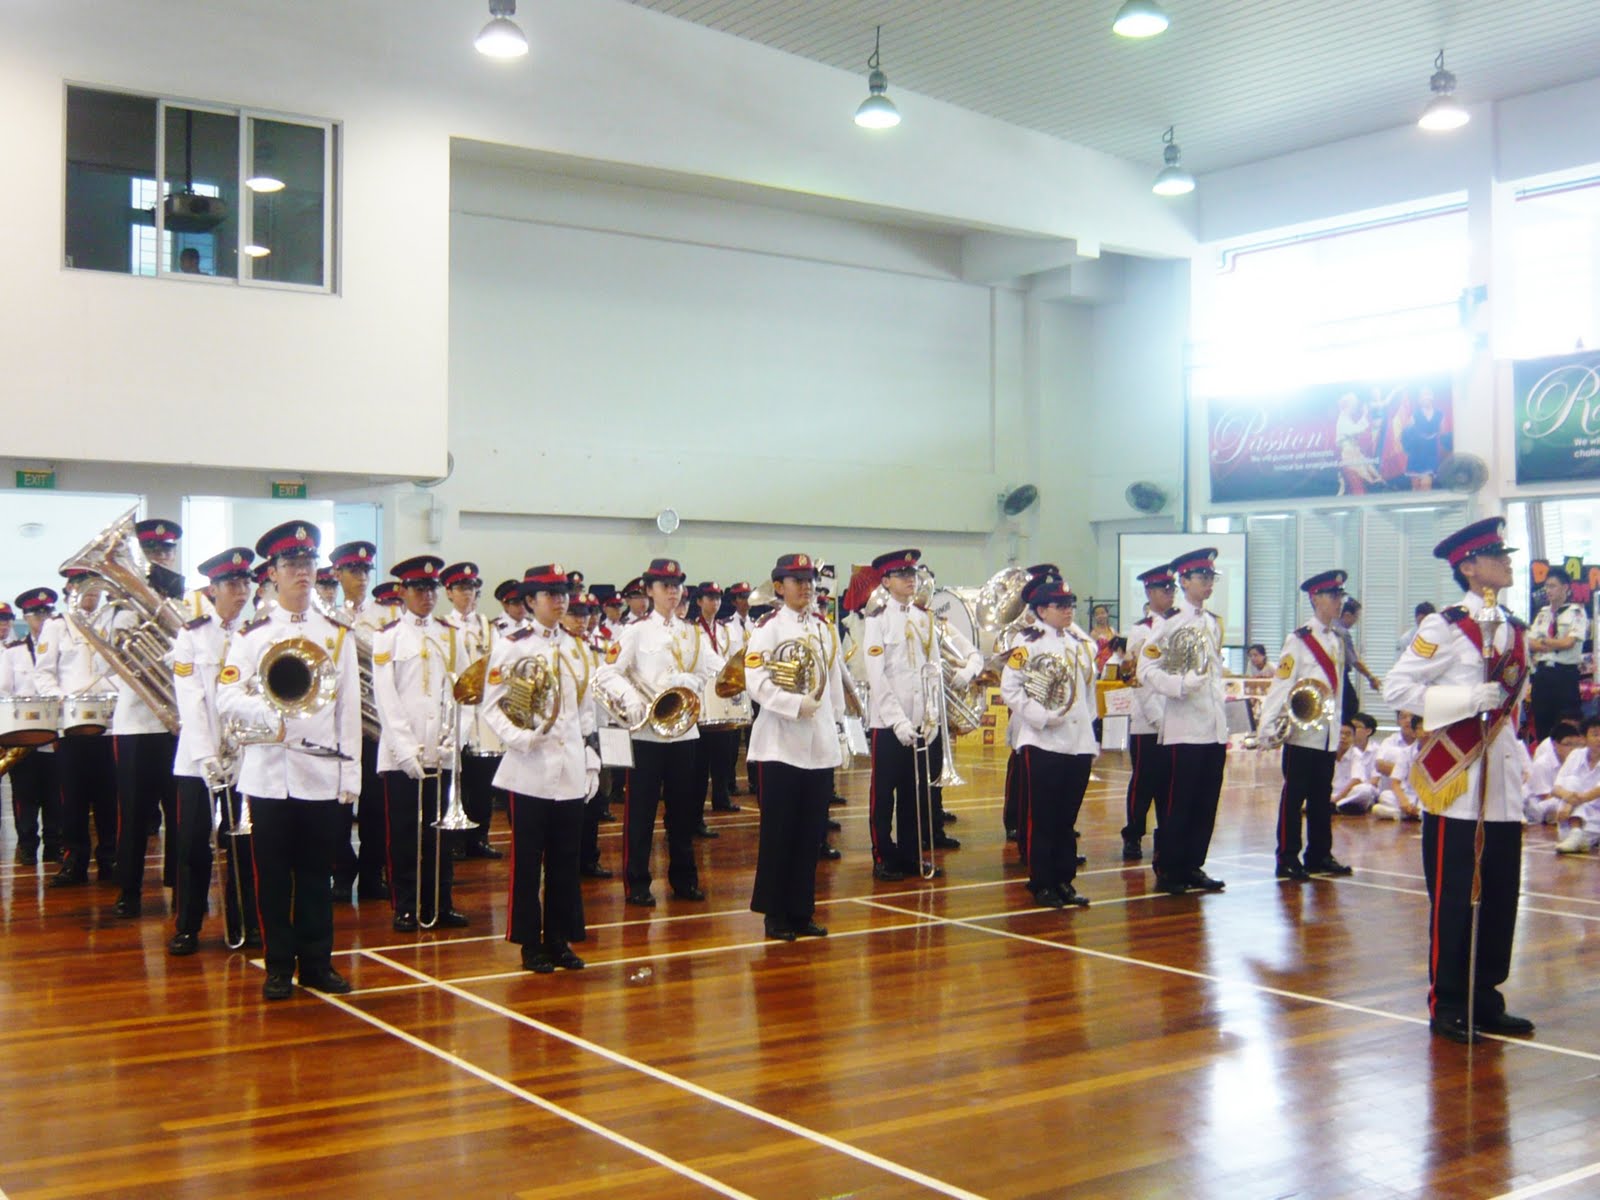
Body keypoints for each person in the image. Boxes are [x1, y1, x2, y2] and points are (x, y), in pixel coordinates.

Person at [1383, 516, 1533, 1044]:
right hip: (1459, 784)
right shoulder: (1444, 627)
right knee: (1453, 898)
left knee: (1500, 895)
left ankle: (1485, 996)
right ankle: (1448, 1001)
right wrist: (1467, 700)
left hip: (1502, 782)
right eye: (1497, 555)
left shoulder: (1515, 628)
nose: (1507, 563)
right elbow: (1397, 689)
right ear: (1469, 567)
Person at [216, 520, 360, 1001]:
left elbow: (348, 712)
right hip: (269, 773)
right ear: (272, 574)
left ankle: (318, 963)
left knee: (318, 875)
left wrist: (351, 774)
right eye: (292, 563)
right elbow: (226, 696)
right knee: (273, 875)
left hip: (320, 771)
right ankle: (278, 966)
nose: (302, 571)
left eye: (308, 562)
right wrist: (270, 712)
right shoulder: (253, 634)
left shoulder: (336, 635)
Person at [478, 565, 598, 971]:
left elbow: (585, 711)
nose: (560, 601)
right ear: (530, 601)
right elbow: (492, 705)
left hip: (570, 768)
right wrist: (522, 739)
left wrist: (591, 759)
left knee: (566, 859)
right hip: (528, 768)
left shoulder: (578, 647)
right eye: (550, 594)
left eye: (563, 594)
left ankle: (559, 939)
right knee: (527, 862)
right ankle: (530, 943)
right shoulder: (512, 645)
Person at [595, 558, 725, 907]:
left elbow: (714, 668)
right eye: (664, 586)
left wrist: (695, 681)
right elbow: (607, 673)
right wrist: (630, 698)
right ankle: (637, 882)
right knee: (640, 812)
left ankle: (684, 879)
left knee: (683, 812)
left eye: (676, 585)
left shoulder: (692, 633)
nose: (672, 591)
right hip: (647, 736)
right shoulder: (635, 631)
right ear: (649, 591)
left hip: (683, 733)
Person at [861, 549, 981, 882]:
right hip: (889, 724)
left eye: (912, 574)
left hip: (921, 721)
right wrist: (897, 720)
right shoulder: (877, 621)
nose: (910, 580)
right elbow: (877, 676)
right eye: (902, 575)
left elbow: (932, 672)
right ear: (886, 581)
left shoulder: (924, 618)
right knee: (883, 794)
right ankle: (883, 855)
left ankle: (911, 855)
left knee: (914, 794)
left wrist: (931, 716)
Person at [745, 553, 846, 940]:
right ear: (779, 587)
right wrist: (792, 704)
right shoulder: (768, 629)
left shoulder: (824, 628)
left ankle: (802, 911)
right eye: (797, 580)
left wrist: (839, 726)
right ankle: (775, 914)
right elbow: (756, 681)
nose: (806, 587)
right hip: (780, 745)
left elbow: (833, 680)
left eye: (809, 580)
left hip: (818, 745)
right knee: (779, 834)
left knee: (810, 834)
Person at [167, 547, 260, 955]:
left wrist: (240, 746)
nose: (241, 592)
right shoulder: (191, 635)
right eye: (232, 584)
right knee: (191, 844)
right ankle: (187, 926)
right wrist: (207, 755)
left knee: (244, 844)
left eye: (245, 583)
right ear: (213, 590)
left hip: (246, 757)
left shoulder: (256, 634)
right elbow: (189, 700)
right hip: (198, 760)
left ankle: (246, 922)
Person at [373, 555, 467, 932]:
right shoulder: (388, 636)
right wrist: (404, 748)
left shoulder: (450, 634)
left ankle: (440, 902)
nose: (427, 596)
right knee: (404, 833)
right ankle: (407, 905)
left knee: (440, 832)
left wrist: (454, 737)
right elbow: (386, 697)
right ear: (403, 592)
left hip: (440, 751)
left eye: (431, 589)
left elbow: (463, 691)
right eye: (418, 589)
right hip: (402, 754)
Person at [1001, 575, 1099, 908]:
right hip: (1043, 741)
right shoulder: (1028, 644)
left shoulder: (1077, 643)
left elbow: (1086, 692)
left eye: (1070, 605)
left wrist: (1090, 734)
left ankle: (1064, 879)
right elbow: (1010, 688)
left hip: (1077, 742)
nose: (1068, 611)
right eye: (1060, 606)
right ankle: (1042, 881)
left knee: (1066, 818)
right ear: (1041, 610)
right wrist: (1041, 716)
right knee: (1042, 817)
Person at [1138, 548, 1229, 895]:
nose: (1208, 583)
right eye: (1202, 577)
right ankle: (1169, 867)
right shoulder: (1169, 621)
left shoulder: (1212, 622)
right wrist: (1177, 686)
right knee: (1179, 803)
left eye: (1211, 577)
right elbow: (1146, 670)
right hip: (1184, 727)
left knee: (1205, 803)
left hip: (1212, 726)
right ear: (1185, 581)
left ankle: (1193, 864)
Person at [110, 518, 183, 918]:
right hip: (137, 724)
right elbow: (119, 661)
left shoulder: (188, 606)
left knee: (180, 812)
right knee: (134, 813)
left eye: (166, 550)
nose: (161, 557)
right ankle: (129, 889)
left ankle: (181, 885)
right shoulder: (123, 610)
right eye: (153, 551)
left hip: (179, 724)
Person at [1260, 570, 1352, 881]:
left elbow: (1337, 692)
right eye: (1333, 595)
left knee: (1321, 797)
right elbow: (1282, 683)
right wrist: (1266, 725)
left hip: (1326, 733)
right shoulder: (1299, 640)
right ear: (1315, 598)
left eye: (1340, 596)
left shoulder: (1337, 639)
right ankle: (1287, 856)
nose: (1339, 601)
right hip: (1302, 733)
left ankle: (1319, 854)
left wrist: (1338, 729)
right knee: (1294, 797)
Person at [36, 568, 118, 886]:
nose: (91, 591)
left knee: (110, 796)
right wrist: (61, 700)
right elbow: (44, 674)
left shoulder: (111, 622)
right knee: (73, 798)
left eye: (96, 586)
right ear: (70, 588)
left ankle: (110, 858)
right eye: (84, 585)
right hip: (71, 726)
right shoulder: (57, 626)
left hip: (109, 724)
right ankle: (75, 860)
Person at [327, 539, 387, 903]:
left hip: (376, 728)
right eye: (353, 570)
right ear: (338, 574)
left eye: (365, 570)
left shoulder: (386, 618)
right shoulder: (327, 618)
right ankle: (341, 871)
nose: (361, 577)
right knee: (337, 809)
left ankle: (372, 874)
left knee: (376, 810)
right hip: (338, 727)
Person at [440, 561, 503, 861]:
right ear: (449, 593)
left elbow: (500, 668)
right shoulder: (443, 627)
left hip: (483, 716)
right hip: (454, 712)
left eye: (472, 589)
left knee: (482, 781)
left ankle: (479, 837)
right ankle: (453, 839)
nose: (468, 594)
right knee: (455, 777)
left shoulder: (489, 628)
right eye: (462, 588)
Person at [1, 588, 63, 866]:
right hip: (24, 735)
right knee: (25, 794)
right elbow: (4, 692)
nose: (43, 618)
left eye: (47, 613)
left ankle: (54, 844)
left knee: (55, 793)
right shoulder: (13, 653)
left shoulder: (61, 649)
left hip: (54, 733)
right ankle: (27, 845)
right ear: (26, 618)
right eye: (36, 614)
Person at [1119, 564, 1175, 861]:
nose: (1170, 594)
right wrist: (1157, 717)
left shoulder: (1179, 624)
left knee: (1169, 783)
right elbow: (1136, 677)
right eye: (1164, 589)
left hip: (1176, 717)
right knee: (1143, 782)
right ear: (1150, 593)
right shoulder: (1141, 630)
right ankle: (1133, 835)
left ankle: (1165, 834)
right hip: (1147, 721)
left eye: (1172, 589)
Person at [558, 590, 610, 879]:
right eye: (575, 614)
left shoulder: (597, 647)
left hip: (597, 730)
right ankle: (568, 861)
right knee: (568, 803)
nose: (582, 620)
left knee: (594, 799)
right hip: (568, 735)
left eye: (586, 614)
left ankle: (589, 858)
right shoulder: (559, 648)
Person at [690, 581, 742, 830]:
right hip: (701, 699)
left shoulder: (724, 630)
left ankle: (721, 796)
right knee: (699, 764)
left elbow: (733, 658)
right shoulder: (692, 630)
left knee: (724, 755)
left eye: (718, 598)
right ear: (699, 601)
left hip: (722, 698)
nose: (715, 603)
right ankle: (695, 816)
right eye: (710, 598)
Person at [1528, 567, 1587, 743]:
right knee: (1542, 726)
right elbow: (1529, 643)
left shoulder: (1576, 612)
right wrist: (1553, 644)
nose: (1548, 590)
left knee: (1567, 728)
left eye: (1553, 586)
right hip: (1543, 675)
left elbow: (1569, 643)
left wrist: (1544, 642)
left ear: (1565, 588)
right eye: (1546, 586)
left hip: (1564, 675)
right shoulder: (1543, 614)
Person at [1551, 717, 1600, 854]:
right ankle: (1577, 833)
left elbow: (1596, 792)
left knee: (1577, 835)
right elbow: (1556, 788)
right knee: (1571, 781)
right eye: (1595, 734)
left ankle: (1578, 834)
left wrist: (1569, 803)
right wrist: (1569, 800)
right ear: (1584, 739)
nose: (1599, 739)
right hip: (1570, 814)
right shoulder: (1576, 755)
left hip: (1596, 814)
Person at [1523, 720, 1583, 825]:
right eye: (1568, 744)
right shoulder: (1542, 764)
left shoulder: (1577, 761)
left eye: (1576, 745)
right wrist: (1570, 798)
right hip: (1539, 808)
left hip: (1566, 801)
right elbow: (1545, 797)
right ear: (1555, 744)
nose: (1573, 749)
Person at [1335, 597, 1381, 721]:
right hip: (1339, 675)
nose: (1356, 621)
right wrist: (1371, 677)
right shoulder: (1342, 632)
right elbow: (1354, 661)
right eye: (1356, 617)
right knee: (1350, 707)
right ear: (1347, 615)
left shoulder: (1329, 627)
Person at [1373, 712, 1423, 820]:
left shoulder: (1437, 751)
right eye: (1420, 728)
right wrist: (1403, 801)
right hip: (1407, 794)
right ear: (1414, 732)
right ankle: (1413, 814)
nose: (1425, 732)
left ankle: (1401, 814)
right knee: (1386, 795)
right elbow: (1395, 782)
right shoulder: (1405, 752)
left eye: (1425, 728)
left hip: (1426, 797)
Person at [1332, 714, 1382, 815]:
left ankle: (1335, 805)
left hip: (1356, 791)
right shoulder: (1332, 751)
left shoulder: (1376, 751)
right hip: (1337, 790)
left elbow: (1369, 780)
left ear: (1368, 731)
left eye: (1356, 727)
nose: (1343, 737)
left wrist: (1337, 798)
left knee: (1365, 790)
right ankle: (1340, 806)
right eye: (1341, 733)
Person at [1088, 604, 1116, 672]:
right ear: (1094, 617)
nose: (1100, 616)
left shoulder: (1112, 631)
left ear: (1107, 614)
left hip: (1113, 664)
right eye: (1097, 614)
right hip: (1099, 666)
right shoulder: (1093, 634)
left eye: (1103, 613)